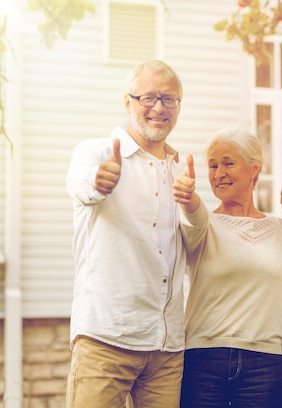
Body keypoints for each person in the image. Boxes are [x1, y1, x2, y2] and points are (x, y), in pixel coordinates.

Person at [66, 60, 186, 407]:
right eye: (148, 97)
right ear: (127, 102)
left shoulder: (180, 170)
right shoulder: (96, 153)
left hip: (166, 348)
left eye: (169, 99)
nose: (159, 108)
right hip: (107, 337)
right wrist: (98, 182)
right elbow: (81, 184)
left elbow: (198, 244)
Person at [174, 128, 282, 408]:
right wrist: (188, 200)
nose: (219, 173)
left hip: (265, 363)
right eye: (213, 165)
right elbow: (193, 218)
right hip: (203, 359)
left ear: (255, 169)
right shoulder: (204, 225)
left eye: (228, 163)